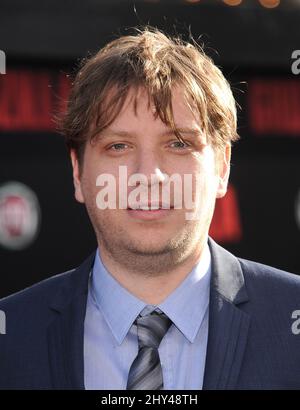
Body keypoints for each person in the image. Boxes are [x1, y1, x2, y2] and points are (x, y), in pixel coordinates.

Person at [1, 26, 300, 390]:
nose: (149, 175)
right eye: (118, 146)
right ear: (78, 173)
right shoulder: (10, 336)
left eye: (177, 143)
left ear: (222, 167)